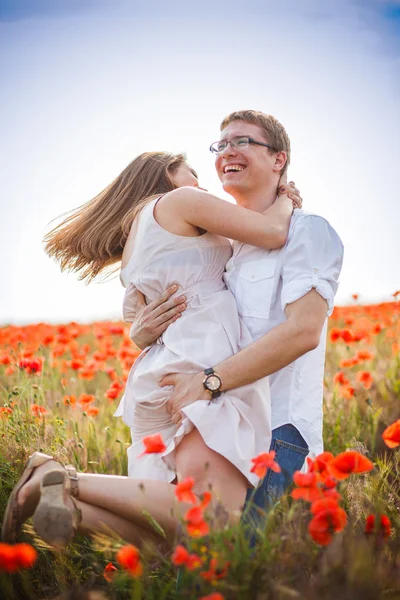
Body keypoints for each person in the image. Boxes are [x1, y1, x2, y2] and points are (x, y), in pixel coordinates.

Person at [2, 149, 301, 549]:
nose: (201, 184)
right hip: (198, 368)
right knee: (212, 519)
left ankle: (71, 509)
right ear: (168, 174)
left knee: (168, 538)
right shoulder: (179, 201)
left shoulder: (136, 239)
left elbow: (139, 321)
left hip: (160, 373)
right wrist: (287, 198)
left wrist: (137, 336)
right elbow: (272, 233)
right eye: (193, 173)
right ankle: (60, 476)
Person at [129, 110, 345, 527]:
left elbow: (302, 332)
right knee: (196, 573)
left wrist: (210, 381)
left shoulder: (308, 231)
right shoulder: (221, 250)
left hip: (276, 433)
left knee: (232, 571)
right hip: (211, 425)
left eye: (243, 141)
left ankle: (71, 487)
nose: (228, 150)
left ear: (279, 160)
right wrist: (141, 332)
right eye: (221, 144)